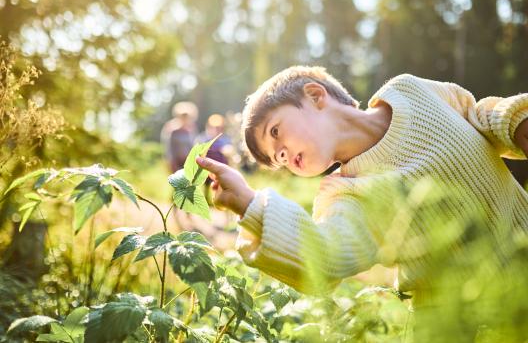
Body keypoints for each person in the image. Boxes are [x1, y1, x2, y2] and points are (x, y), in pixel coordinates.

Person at [195, 66, 528, 315]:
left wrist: (516, 121)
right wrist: (250, 205)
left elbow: (474, 111)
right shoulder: (346, 193)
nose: (282, 155)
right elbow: (324, 255)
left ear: (314, 95)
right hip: (462, 320)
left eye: (277, 131)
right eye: (276, 159)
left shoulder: (409, 91)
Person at [160, 101, 198, 173]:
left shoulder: (191, 129)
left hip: (188, 161)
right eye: (183, 116)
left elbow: (193, 145)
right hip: (176, 162)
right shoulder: (172, 130)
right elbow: (169, 148)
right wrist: (170, 162)